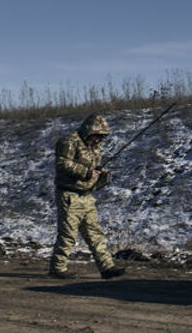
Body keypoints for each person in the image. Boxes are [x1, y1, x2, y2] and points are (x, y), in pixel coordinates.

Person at [48, 114, 126, 280]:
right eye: (97, 135)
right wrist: (87, 172)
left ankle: (107, 267)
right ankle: (57, 268)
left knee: (95, 233)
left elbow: (92, 166)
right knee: (68, 234)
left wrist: (100, 175)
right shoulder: (69, 141)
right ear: (89, 131)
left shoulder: (95, 147)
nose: (98, 139)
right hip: (69, 195)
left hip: (87, 195)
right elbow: (62, 164)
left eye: (101, 136)